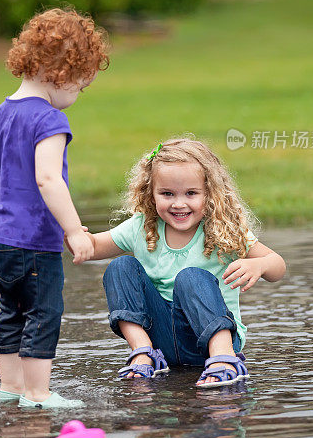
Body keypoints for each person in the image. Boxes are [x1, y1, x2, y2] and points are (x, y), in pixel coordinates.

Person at [0, 7, 109, 408]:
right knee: (43, 311)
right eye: (81, 86)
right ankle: (37, 393)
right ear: (62, 74)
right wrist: (74, 230)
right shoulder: (48, 120)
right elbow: (49, 180)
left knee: (12, 311)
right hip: (33, 242)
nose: (77, 97)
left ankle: (9, 387)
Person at [87, 137, 286, 387]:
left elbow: (277, 265)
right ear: (151, 193)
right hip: (162, 343)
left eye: (191, 193)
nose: (179, 203)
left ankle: (224, 360)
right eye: (167, 193)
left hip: (210, 340)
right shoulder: (142, 226)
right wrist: (67, 232)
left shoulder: (223, 230)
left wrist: (260, 265)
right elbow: (92, 247)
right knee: (120, 267)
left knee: (191, 277)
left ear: (210, 193)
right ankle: (142, 352)